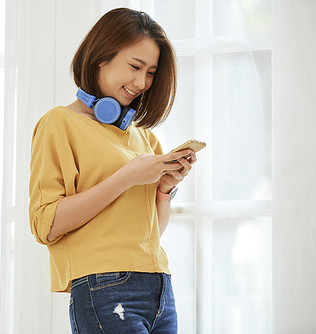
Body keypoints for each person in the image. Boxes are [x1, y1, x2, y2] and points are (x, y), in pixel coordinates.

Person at [29, 7, 197, 334]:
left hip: (158, 283)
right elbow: (45, 225)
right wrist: (128, 176)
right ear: (101, 58)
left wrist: (163, 191)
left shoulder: (144, 137)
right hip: (105, 286)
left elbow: (148, 233)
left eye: (150, 72)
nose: (141, 82)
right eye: (135, 66)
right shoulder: (59, 123)